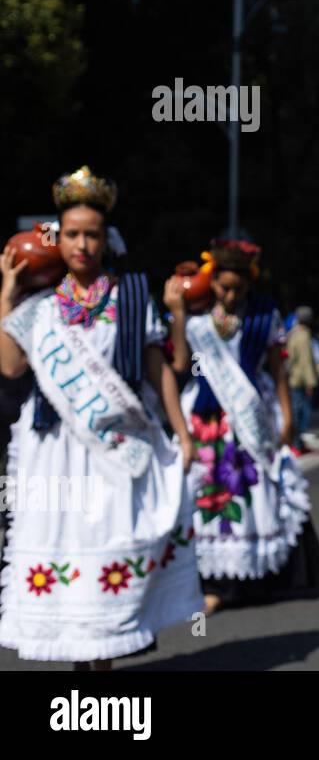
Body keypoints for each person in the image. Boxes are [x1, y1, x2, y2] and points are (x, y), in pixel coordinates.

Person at [0, 166, 202, 666]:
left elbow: (161, 371)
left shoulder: (131, 297)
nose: (82, 245)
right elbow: (10, 366)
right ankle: (77, 660)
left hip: (115, 448)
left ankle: (102, 660)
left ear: (104, 238)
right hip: (55, 449)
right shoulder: (40, 305)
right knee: (65, 540)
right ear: (58, 238)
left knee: (110, 542)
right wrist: (7, 295)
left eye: (91, 234)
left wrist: (183, 433)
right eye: (72, 234)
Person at [166, 238, 319, 614]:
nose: (230, 294)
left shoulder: (263, 314)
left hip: (252, 414)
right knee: (210, 494)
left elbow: (278, 368)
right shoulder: (195, 315)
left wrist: (288, 417)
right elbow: (178, 365)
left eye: (238, 288)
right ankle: (211, 583)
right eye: (223, 286)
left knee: (257, 493)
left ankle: (256, 579)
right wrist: (177, 313)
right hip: (207, 418)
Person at [285, 305, 317, 454]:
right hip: (299, 379)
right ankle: (297, 444)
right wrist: (310, 381)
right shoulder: (303, 335)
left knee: (295, 411)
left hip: (292, 377)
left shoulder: (292, 333)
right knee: (299, 412)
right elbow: (305, 360)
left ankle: (298, 443)